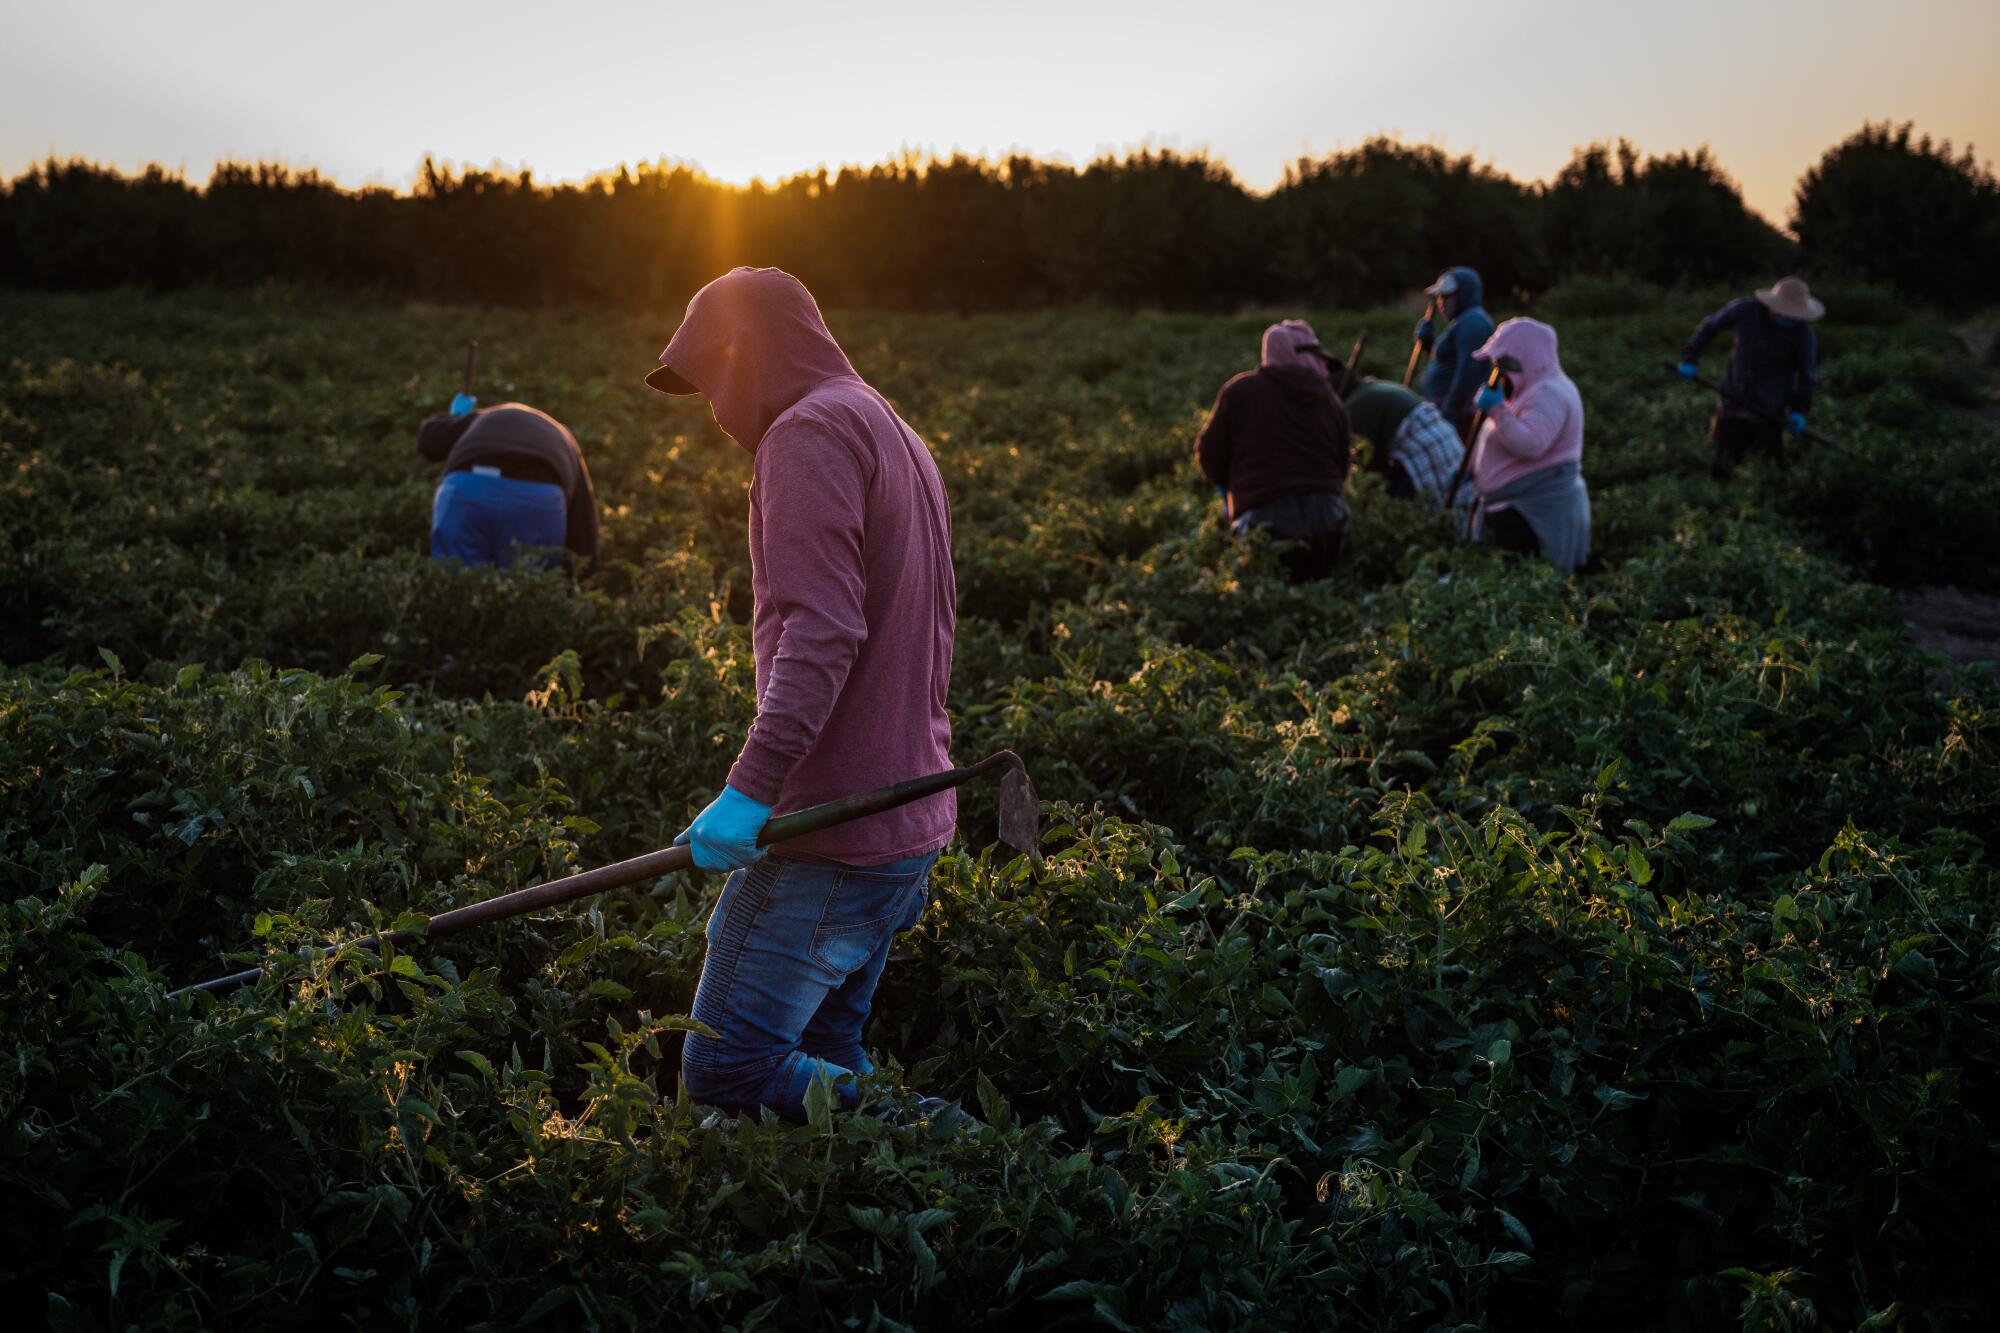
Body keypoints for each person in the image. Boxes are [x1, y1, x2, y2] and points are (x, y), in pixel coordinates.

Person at [646, 267, 959, 1124]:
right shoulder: (886, 423)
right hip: (902, 826)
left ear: (747, 354)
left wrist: (749, 792)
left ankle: (960, 1146)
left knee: (728, 1069)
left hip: (831, 832)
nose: (713, 409)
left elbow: (824, 635)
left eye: (713, 378)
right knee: (825, 1061)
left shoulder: (808, 433)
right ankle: (905, 1199)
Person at [1195, 319, 1352, 581]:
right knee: (1324, 591)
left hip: (1263, 523)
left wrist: (1235, 490)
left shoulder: (1241, 391)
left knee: (1265, 594)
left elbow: (1208, 455)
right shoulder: (1331, 402)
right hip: (1329, 521)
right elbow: (1342, 466)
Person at [1462, 317, 1591, 574]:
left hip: (1534, 510)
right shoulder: (1531, 389)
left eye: (1505, 363)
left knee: (1527, 581)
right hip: (1518, 507)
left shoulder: (1549, 393)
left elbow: (1532, 443)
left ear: (1527, 360)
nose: (1498, 371)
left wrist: (1497, 411)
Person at [417, 397, 598, 569]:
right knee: (529, 590)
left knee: (456, 587)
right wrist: (578, 573)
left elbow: (429, 442)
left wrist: (455, 418)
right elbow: (583, 531)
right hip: (537, 497)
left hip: (468, 487)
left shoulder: (484, 418)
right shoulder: (564, 438)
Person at [1676, 276, 1823, 473]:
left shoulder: (1803, 336)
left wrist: (1798, 411)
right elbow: (1710, 326)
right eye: (1785, 313)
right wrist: (1690, 358)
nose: (1789, 318)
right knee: (1721, 468)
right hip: (1732, 401)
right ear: (1773, 305)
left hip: (1769, 411)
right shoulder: (1744, 311)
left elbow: (1808, 376)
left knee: (1771, 472)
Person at [1340, 372, 1467, 510]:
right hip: (1441, 439)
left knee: (1431, 505)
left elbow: (1367, 462)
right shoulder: (1372, 388)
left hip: (1424, 448)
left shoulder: (1355, 405)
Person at [1414, 267, 1496, 438]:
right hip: (1445, 409)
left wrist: (1449, 413)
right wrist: (1429, 343)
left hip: (1459, 417)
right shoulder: (1462, 321)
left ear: (1464, 295)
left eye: (1446, 296)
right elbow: (1448, 361)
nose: (1441, 303)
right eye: (1438, 297)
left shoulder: (1472, 323)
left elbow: (1469, 372)